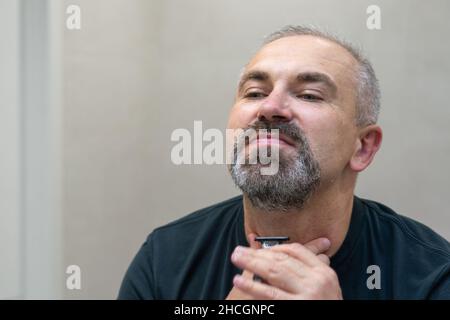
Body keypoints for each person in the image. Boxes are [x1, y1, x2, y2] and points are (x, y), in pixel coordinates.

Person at [118, 26, 450, 299]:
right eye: (254, 93)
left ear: (362, 147)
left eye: (309, 95)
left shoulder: (432, 277)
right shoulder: (164, 261)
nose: (270, 107)